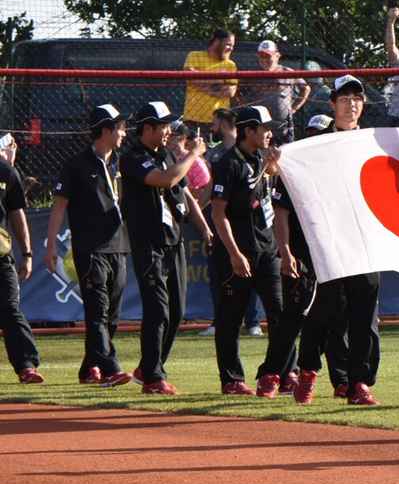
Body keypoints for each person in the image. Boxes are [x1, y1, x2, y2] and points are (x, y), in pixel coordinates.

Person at [120, 101, 211, 395]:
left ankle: (149, 366)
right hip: (148, 242)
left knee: (176, 309)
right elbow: (165, 179)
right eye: (163, 126)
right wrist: (195, 154)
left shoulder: (164, 155)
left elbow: (184, 192)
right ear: (147, 128)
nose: (168, 131)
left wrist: (206, 229)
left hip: (173, 240)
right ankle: (153, 378)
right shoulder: (133, 157)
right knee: (157, 308)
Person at [305, 75, 383, 405]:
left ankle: (358, 383)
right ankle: (308, 368)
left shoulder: (374, 141)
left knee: (364, 314)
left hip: (364, 240)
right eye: (344, 98)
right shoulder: (316, 143)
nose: (351, 104)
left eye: (357, 98)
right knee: (326, 311)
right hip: (331, 241)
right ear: (332, 103)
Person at [44, 104, 133, 386]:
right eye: (119, 127)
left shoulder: (121, 162)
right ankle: (110, 368)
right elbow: (59, 208)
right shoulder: (76, 165)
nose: (124, 132)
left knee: (113, 314)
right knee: (97, 310)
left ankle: (88, 367)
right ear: (105, 130)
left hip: (119, 246)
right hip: (89, 249)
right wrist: (49, 249)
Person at [254, 113, 334, 400]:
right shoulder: (295, 171)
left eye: (321, 133)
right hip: (301, 254)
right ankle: (271, 374)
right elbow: (281, 214)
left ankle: (308, 374)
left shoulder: (335, 169)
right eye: (311, 133)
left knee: (324, 318)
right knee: (293, 316)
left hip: (330, 253)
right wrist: (286, 251)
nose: (316, 138)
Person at [209, 105, 286, 396]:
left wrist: (273, 167)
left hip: (266, 250)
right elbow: (218, 213)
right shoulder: (228, 163)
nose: (270, 133)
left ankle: (277, 371)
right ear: (248, 131)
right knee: (231, 318)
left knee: (280, 314)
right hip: (237, 253)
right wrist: (233, 253)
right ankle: (231, 379)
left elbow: (264, 197)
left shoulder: (260, 159)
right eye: (264, 128)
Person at [199, 108, 263, 338]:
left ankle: (252, 320)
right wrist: (196, 207)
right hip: (221, 219)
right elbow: (212, 188)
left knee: (253, 273)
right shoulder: (215, 153)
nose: (211, 128)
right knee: (220, 274)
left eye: (214, 122)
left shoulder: (253, 149)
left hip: (248, 224)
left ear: (224, 122)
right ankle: (220, 320)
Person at [0, 137, 41, 384]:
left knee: (10, 309)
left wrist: (27, 254)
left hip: (1, 256)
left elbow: (17, 215)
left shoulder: (6, 171)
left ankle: (26, 367)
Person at [238, 40, 310, 143]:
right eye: (261, 56)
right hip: (260, 128)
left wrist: (294, 108)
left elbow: (305, 88)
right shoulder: (253, 75)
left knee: (284, 152)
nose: (264, 59)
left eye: (268, 56)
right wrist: (245, 107)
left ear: (277, 56)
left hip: (282, 127)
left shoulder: (287, 72)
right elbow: (237, 91)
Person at [182, 28, 239, 126]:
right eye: (228, 44)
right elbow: (190, 79)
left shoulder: (231, 65)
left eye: (232, 46)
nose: (231, 48)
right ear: (217, 42)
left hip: (220, 121)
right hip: (193, 119)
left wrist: (202, 83)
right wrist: (220, 81)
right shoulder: (194, 56)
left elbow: (230, 91)